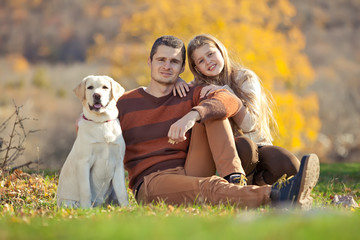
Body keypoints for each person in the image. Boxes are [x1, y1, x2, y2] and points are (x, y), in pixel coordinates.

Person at [117, 35, 319, 209]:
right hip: (153, 180)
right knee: (208, 187)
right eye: (161, 60)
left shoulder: (190, 93)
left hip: (191, 169)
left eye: (174, 62)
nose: (167, 66)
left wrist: (193, 115)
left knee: (213, 109)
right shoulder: (125, 102)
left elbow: (228, 100)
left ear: (182, 68)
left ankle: (234, 178)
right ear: (149, 62)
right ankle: (277, 195)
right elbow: (91, 134)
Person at [174, 34, 301, 186]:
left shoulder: (244, 77)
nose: (208, 62)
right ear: (196, 68)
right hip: (233, 151)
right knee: (244, 146)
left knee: (289, 163)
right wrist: (177, 81)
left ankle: (260, 186)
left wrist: (225, 92)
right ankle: (243, 190)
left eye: (210, 54)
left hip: (259, 146)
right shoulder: (198, 89)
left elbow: (249, 124)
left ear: (221, 51)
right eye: (201, 60)